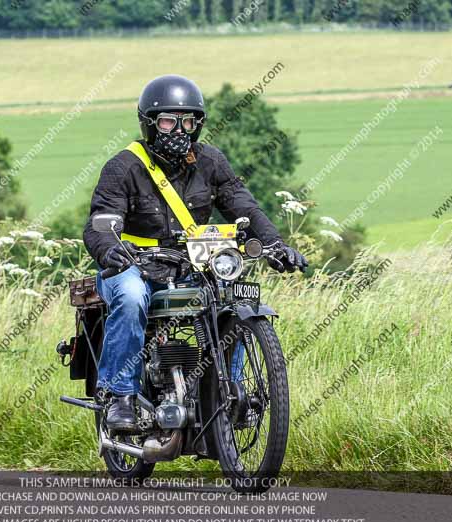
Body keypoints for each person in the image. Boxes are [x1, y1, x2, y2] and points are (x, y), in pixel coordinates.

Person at [82, 74, 307, 432]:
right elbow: (98, 222)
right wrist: (110, 251)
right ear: (150, 124)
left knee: (232, 297)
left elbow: (242, 206)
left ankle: (229, 391)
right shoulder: (124, 167)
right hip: (135, 266)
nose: (179, 130)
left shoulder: (211, 162)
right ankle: (120, 395)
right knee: (130, 297)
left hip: (192, 266)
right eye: (169, 121)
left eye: (188, 122)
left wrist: (275, 245)